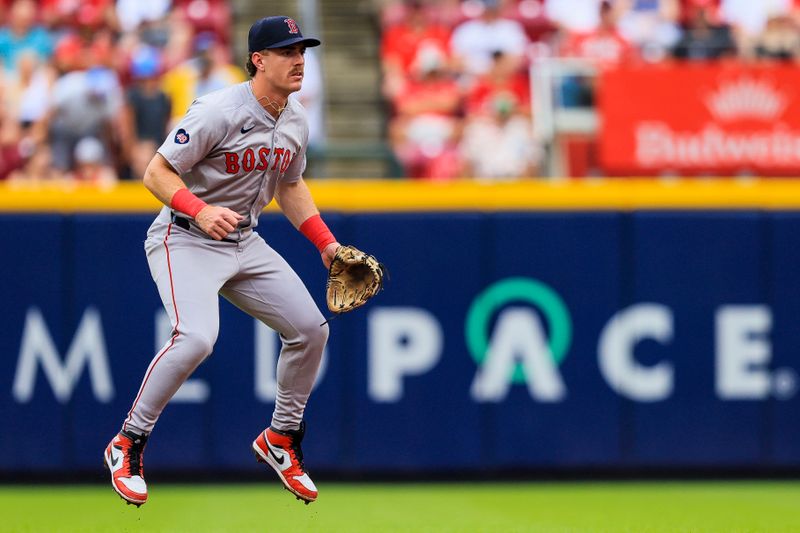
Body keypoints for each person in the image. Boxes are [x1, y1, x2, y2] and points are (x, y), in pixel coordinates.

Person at [103, 16, 338, 507]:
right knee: (196, 337)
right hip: (184, 236)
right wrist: (200, 209)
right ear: (259, 60)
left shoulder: (294, 118)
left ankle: (281, 438)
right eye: (288, 52)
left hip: (244, 241)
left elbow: (290, 185)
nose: (299, 60)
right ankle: (128, 441)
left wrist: (326, 245)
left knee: (311, 330)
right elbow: (156, 172)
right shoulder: (219, 109)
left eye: (303, 51)